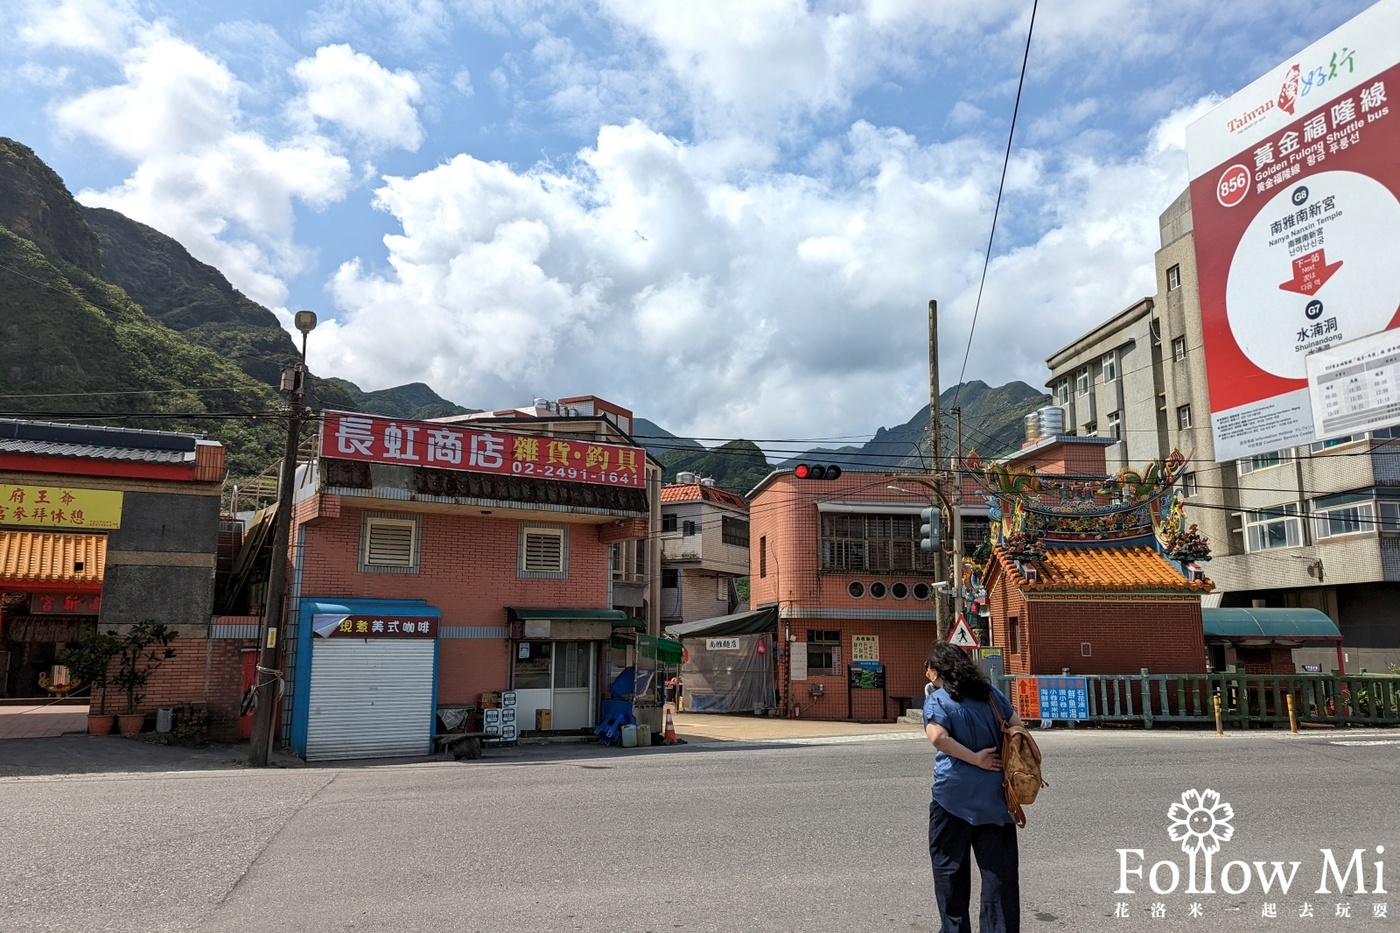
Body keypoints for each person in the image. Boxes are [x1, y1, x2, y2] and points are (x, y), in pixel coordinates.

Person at [922, 642, 1022, 933]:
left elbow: (938, 737)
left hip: (952, 798)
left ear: (936, 672)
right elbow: (1018, 729)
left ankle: (954, 929)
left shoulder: (938, 700)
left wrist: (975, 759)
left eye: (927, 667)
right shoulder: (992, 695)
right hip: (996, 797)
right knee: (998, 876)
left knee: (949, 870)